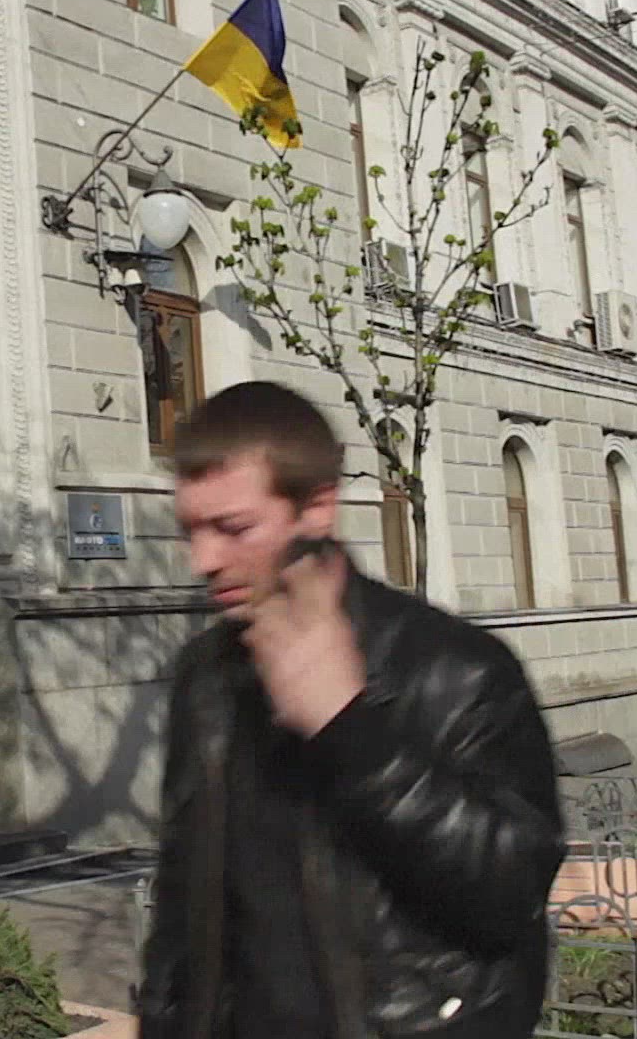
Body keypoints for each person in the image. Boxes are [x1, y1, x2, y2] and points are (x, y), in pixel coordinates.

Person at [137, 381, 567, 1039]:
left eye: (234, 529)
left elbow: (511, 895)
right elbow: (181, 908)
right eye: (190, 531)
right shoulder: (205, 677)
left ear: (317, 509)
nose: (205, 560)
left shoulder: (460, 670)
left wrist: (351, 729)